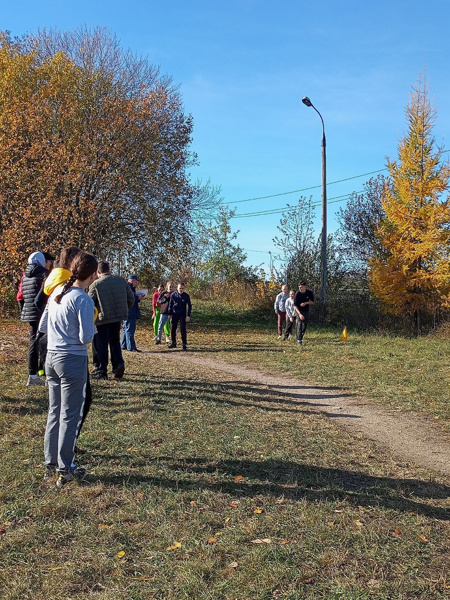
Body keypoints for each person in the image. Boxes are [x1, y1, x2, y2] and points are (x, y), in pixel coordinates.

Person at [39, 252, 98, 486]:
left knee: (55, 411)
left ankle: (50, 463)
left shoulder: (56, 292)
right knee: (70, 415)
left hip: (51, 358)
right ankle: (67, 467)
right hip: (72, 359)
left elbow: (43, 326)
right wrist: (92, 328)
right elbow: (85, 336)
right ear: (92, 274)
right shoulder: (82, 299)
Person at [88, 261, 135, 380]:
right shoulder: (121, 281)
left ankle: (101, 370)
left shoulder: (95, 285)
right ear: (109, 270)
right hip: (117, 318)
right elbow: (131, 298)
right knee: (115, 342)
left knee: (101, 344)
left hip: (101, 319)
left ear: (98, 272)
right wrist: (124, 309)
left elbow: (89, 303)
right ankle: (118, 365)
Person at [21, 251, 55, 386]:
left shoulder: (25, 275)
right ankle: (47, 375)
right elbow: (47, 294)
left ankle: (33, 375)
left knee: (33, 343)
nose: (50, 264)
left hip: (30, 312)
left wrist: (24, 310)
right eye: (48, 261)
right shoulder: (44, 275)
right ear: (42, 261)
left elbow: (20, 296)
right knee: (46, 344)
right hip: (42, 311)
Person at [121, 275, 142, 352]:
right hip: (130, 312)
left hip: (127, 311)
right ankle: (131, 347)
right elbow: (129, 298)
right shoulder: (129, 288)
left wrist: (137, 299)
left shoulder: (126, 287)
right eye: (136, 281)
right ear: (132, 280)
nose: (137, 283)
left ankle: (123, 345)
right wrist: (137, 298)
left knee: (125, 328)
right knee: (130, 329)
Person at [168, 282, 192, 351]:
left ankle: (184, 344)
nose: (181, 290)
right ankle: (173, 342)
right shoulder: (173, 295)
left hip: (182, 314)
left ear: (184, 289)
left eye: (182, 288)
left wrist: (188, 315)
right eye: (180, 288)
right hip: (174, 313)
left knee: (182, 329)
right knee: (173, 328)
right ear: (177, 288)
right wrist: (169, 314)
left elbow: (189, 306)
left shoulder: (186, 296)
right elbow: (170, 305)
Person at [294, 281, 314, 346]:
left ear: (305, 287)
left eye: (302, 287)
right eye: (299, 287)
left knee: (304, 325)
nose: (300, 288)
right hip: (298, 311)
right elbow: (295, 306)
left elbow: (312, 302)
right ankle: (299, 340)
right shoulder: (297, 294)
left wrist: (305, 303)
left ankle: (300, 336)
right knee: (300, 324)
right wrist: (299, 314)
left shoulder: (309, 293)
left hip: (306, 311)